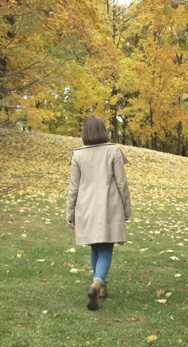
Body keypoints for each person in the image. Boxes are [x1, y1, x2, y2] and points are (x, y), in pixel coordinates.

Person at [66, 116, 132, 311]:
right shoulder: (113, 151)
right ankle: (97, 283)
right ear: (104, 131)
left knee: (95, 245)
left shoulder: (78, 155)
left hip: (85, 207)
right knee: (105, 247)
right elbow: (122, 183)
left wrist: (70, 213)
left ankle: (101, 287)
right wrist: (127, 209)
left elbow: (73, 188)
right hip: (108, 206)